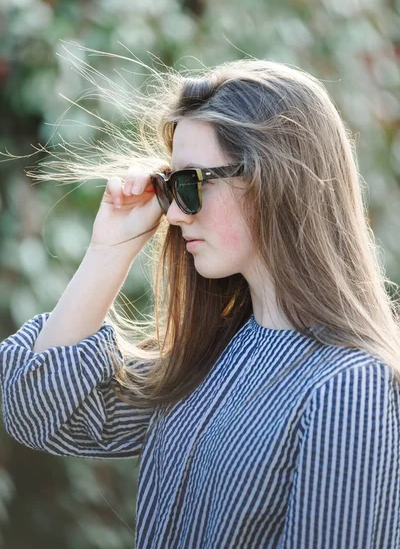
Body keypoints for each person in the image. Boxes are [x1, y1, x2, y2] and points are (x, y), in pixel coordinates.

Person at [1, 57, 400, 548]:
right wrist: (109, 251)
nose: (174, 213)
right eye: (170, 187)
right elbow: (35, 411)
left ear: (272, 179)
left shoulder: (350, 386)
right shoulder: (206, 358)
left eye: (188, 184)